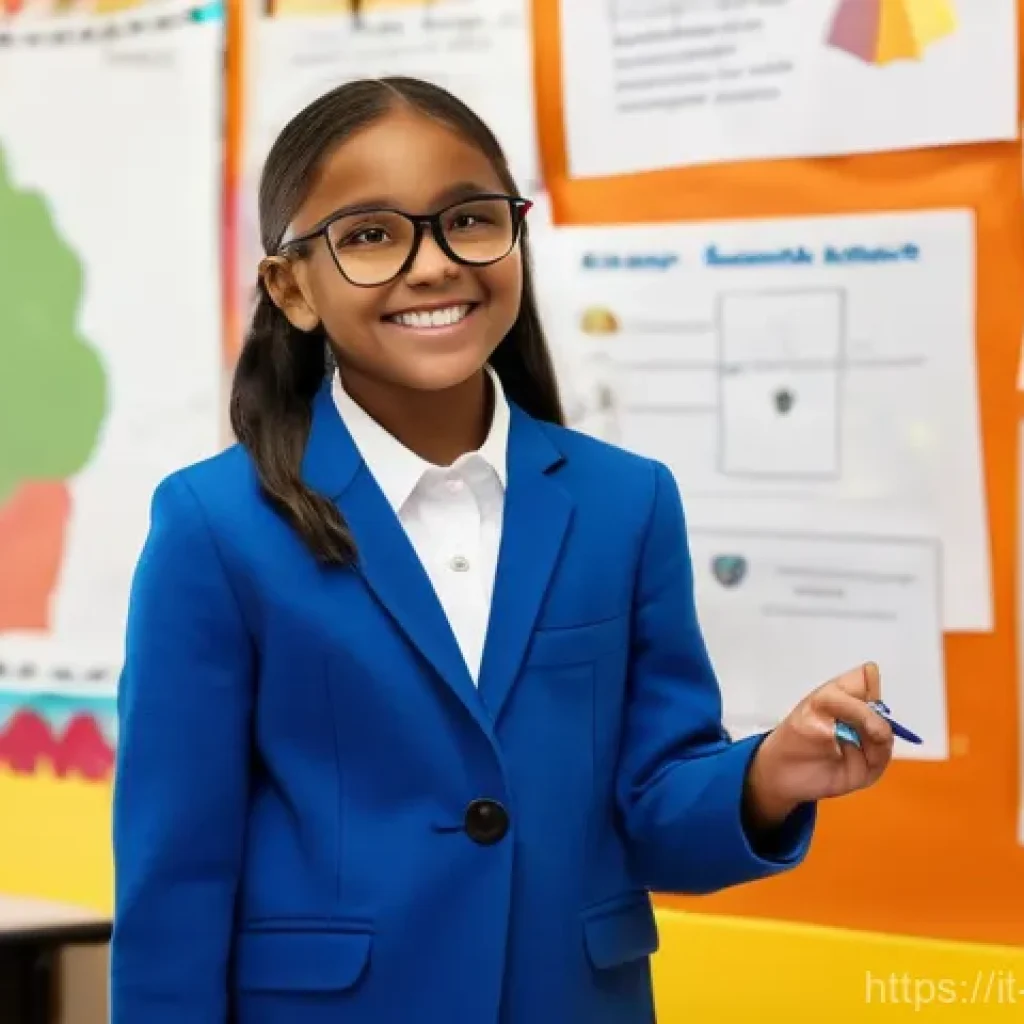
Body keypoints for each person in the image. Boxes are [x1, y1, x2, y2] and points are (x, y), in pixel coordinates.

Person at [109, 77, 894, 1023]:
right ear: (292, 287)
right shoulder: (216, 526)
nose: (434, 264)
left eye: (469, 221)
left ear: (516, 237)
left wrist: (767, 777)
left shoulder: (624, 502)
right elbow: (176, 870)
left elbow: (650, 808)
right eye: (369, 236)